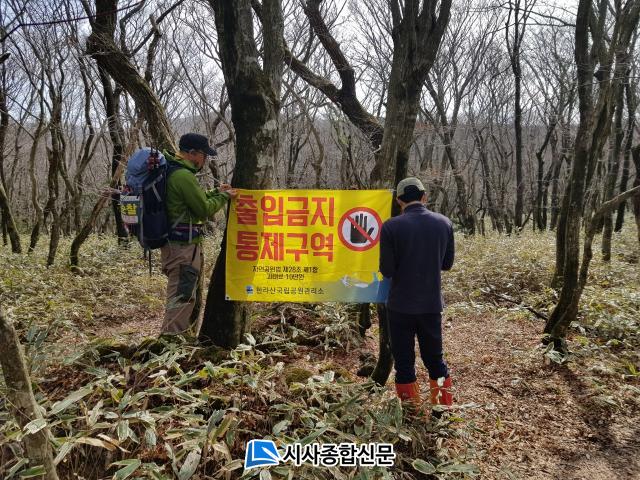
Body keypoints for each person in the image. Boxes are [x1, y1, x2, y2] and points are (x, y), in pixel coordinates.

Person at [379, 177, 455, 414]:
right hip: (430, 305)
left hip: (399, 306)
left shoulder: (390, 227)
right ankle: (442, 411)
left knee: (404, 363)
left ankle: (411, 413)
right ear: (424, 197)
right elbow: (447, 264)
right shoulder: (444, 223)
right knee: (435, 360)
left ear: (399, 200)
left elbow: (387, 270)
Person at [160, 133, 237, 335]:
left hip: (174, 245)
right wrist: (224, 196)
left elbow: (194, 200)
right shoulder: (183, 176)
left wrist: (216, 192)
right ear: (193, 153)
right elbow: (203, 209)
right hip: (182, 248)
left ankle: (175, 336)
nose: (205, 160)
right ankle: (171, 339)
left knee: (183, 294)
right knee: (181, 296)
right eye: (204, 155)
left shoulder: (173, 169)